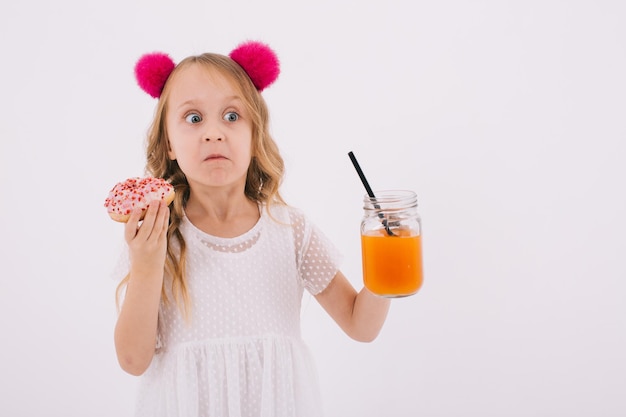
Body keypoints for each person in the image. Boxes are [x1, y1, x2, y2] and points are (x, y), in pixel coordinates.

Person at [112, 40, 391, 417]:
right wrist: (145, 265)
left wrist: (388, 269)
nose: (213, 132)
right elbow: (133, 359)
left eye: (231, 116)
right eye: (193, 118)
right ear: (169, 144)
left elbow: (361, 325)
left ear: (255, 135)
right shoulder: (158, 236)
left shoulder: (290, 230)